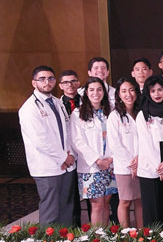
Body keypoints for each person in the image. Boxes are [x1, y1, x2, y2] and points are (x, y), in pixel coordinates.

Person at [20, 65, 76, 225]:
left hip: (67, 164)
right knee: (51, 211)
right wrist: (63, 157)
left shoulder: (57, 102)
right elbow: (40, 141)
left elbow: (68, 131)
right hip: (47, 167)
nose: (47, 82)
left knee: (66, 209)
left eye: (51, 78)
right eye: (42, 79)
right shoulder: (29, 108)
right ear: (34, 83)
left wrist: (70, 155)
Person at [71, 77, 117, 226]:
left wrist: (110, 160)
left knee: (106, 204)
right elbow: (77, 141)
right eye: (91, 90)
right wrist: (97, 160)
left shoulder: (111, 111)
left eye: (99, 89)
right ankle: (96, 241)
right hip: (91, 167)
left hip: (110, 165)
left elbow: (117, 137)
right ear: (86, 92)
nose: (95, 93)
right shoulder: (77, 113)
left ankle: (104, 237)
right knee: (96, 204)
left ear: (104, 92)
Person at [136, 76, 163, 228]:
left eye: (160, 90)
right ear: (148, 93)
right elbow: (146, 144)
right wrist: (159, 168)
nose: (157, 94)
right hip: (150, 168)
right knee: (152, 212)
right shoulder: (142, 115)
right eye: (153, 91)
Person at [107, 77, 143, 228]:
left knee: (141, 201)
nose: (128, 94)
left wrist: (140, 158)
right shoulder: (114, 116)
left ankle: (143, 234)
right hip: (124, 167)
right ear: (119, 95)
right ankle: (126, 235)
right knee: (125, 201)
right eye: (124, 91)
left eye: (131, 90)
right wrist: (131, 164)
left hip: (142, 164)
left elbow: (146, 139)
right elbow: (115, 145)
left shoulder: (141, 113)